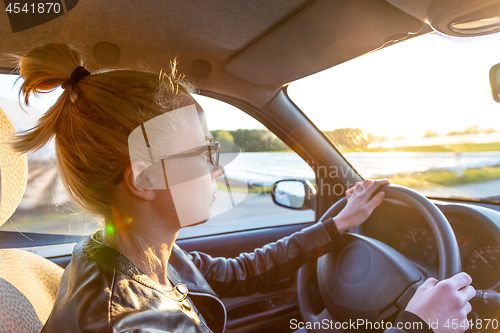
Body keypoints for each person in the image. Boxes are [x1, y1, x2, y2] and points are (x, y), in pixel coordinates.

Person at [12, 43, 474, 333]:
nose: (217, 171)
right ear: (146, 179)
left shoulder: (132, 254)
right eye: (203, 155)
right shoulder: (132, 322)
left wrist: (337, 226)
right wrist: (419, 325)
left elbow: (240, 273)